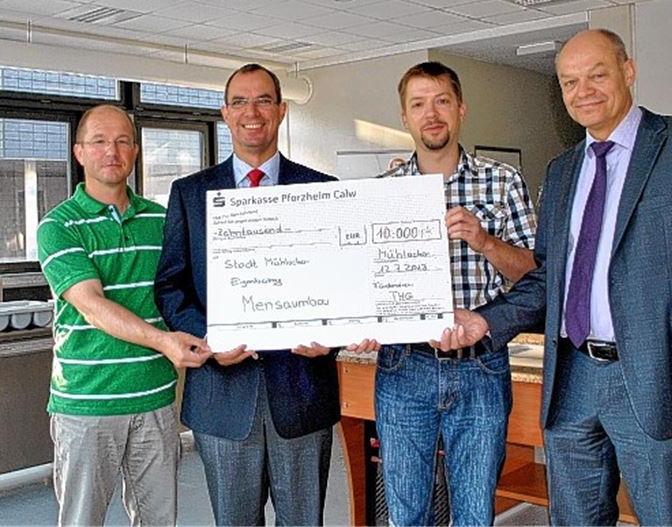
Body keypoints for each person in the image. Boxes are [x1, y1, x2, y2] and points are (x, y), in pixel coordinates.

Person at [445, 29, 672, 525]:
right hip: (571, 379)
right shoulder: (563, 170)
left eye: (597, 75)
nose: (583, 91)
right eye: (570, 82)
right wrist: (486, 322)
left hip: (655, 379)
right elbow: (550, 280)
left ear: (628, 72)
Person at [154, 64, 376, 526]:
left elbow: (343, 285)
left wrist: (331, 335)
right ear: (225, 114)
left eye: (262, 101)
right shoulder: (190, 194)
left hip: (301, 395)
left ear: (281, 110)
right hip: (222, 400)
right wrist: (211, 339)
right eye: (239, 102)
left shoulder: (321, 191)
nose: (251, 112)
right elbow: (170, 287)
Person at [371, 61, 537, 526]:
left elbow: (534, 273)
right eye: (418, 104)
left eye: (442, 101)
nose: (432, 114)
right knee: (406, 513)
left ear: (460, 109)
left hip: (481, 366)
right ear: (405, 117)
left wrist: (483, 240)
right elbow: (368, 284)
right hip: (405, 365)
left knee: (475, 511)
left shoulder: (502, 183)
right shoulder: (382, 193)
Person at [37, 104, 211, 527]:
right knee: (83, 521)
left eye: (122, 141)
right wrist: (163, 341)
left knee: (158, 521)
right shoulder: (58, 226)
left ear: (135, 150)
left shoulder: (161, 220)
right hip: (86, 404)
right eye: (98, 141)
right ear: (79, 152)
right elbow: (92, 306)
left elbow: (186, 292)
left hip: (155, 400)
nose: (111, 151)